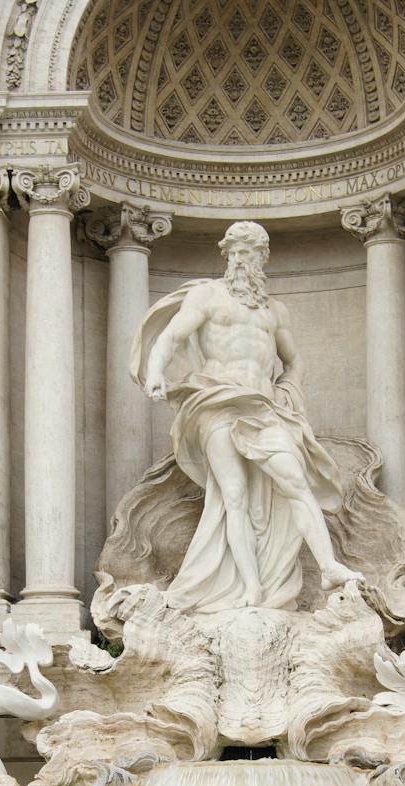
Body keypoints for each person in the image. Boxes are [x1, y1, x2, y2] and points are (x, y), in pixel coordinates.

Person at [133, 221, 363, 613]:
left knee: (296, 480)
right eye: (236, 251)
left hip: (262, 408)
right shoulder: (208, 296)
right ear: (226, 255)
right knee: (233, 496)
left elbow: (293, 361)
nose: (242, 259)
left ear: (263, 258)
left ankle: (328, 567)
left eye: (251, 252)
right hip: (216, 402)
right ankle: (251, 588)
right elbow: (170, 337)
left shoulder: (275, 311)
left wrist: (288, 391)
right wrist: (155, 371)